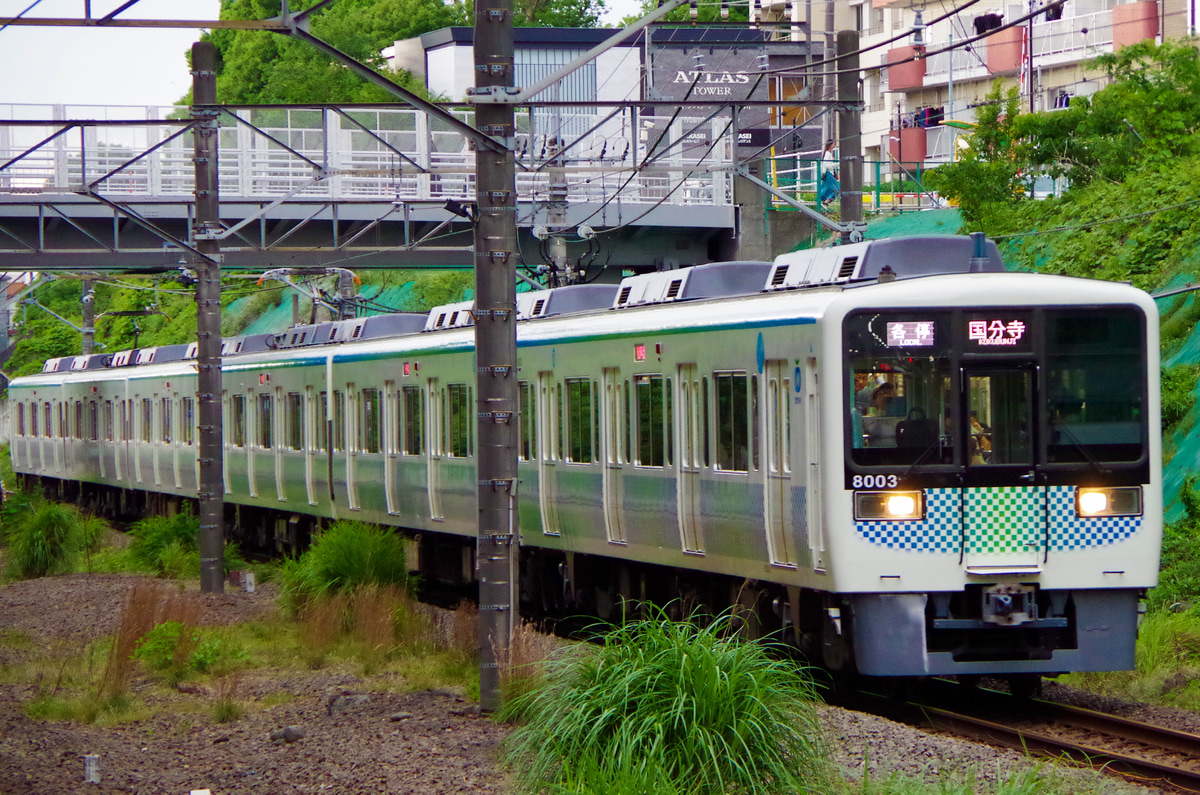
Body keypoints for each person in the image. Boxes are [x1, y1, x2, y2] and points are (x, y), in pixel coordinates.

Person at [818, 139, 840, 208]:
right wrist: (837, 164)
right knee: (836, 189)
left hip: (828, 174)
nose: (834, 145)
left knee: (828, 189)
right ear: (830, 144)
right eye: (833, 144)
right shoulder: (828, 153)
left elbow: (827, 164)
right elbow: (827, 165)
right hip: (829, 174)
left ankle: (824, 202)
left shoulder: (827, 153)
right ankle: (825, 203)